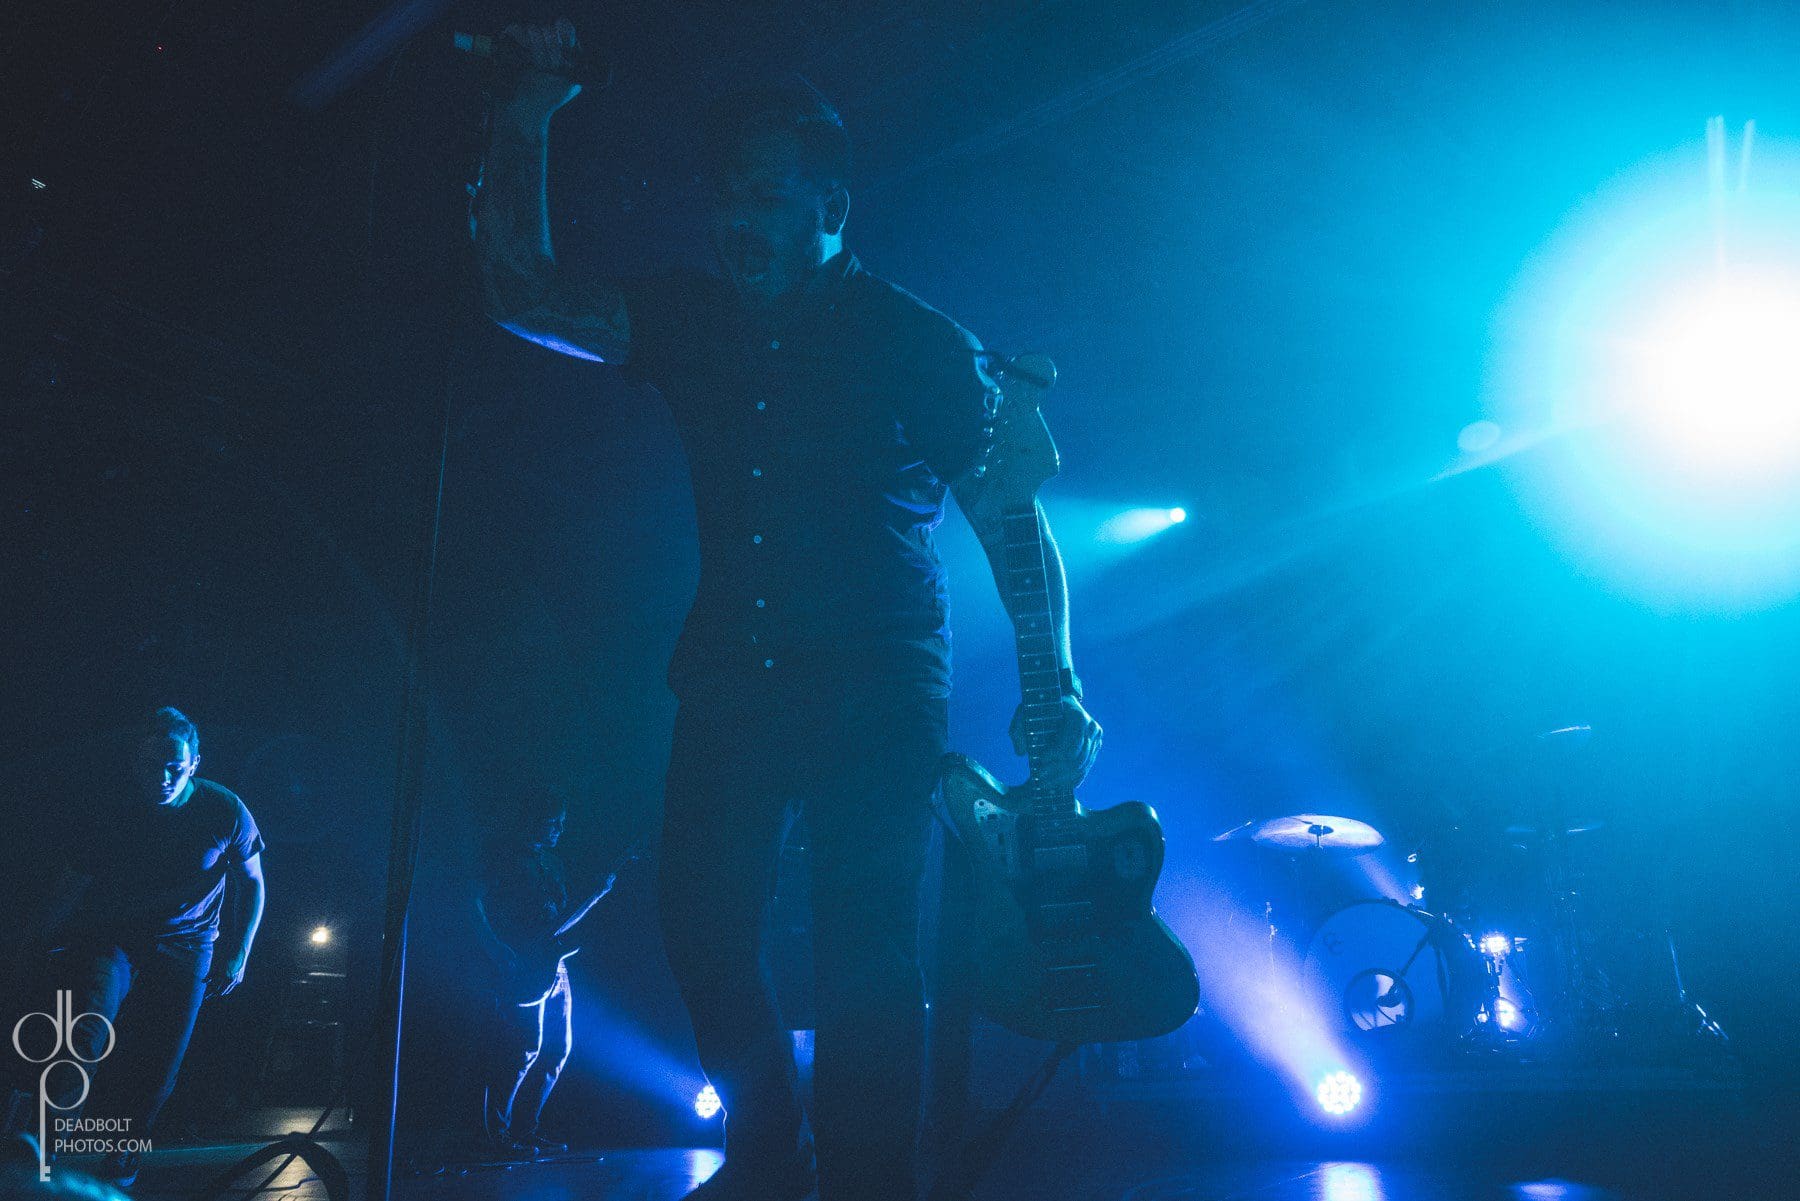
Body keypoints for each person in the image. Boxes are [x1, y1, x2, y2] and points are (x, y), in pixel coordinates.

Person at [470, 21, 1101, 1201]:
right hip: (733, 673)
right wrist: (527, 113)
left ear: (831, 206)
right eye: (725, 196)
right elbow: (524, 292)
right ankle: (768, 1148)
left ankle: (866, 1181)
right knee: (698, 922)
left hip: (877, 677)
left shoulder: (914, 339)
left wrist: (1052, 680)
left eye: (763, 195)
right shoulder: (692, 318)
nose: (736, 220)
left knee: (867, 947)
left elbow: (1009, 515)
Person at [3, 707, 266, 1189]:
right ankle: (43, 1148)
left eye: (174, 767)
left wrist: (240, 951)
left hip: (189, 945)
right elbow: (72, 883)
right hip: (114, 938)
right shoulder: (112, 811)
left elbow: (252, 882)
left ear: (194, 763)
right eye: (152, 766)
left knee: (161, 1062)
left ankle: (124, 1154)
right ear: (135, 762)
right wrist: (36, 938)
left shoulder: (224, 809)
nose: (162, 778)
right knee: (85, 1032)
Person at [471, 788, 612, 1157]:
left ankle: (525, 1130)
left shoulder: (552, 864)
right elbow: (471, 901)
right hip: (519, 962)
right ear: (530, 821)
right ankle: (495, 1136)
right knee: (522, 1050)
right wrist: (495, 947)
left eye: (562, 823)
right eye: (552, 823)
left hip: (553, 963)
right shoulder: (501, 857)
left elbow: (558, 922)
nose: (559, 830)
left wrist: (596, 893)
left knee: (557, 1050)